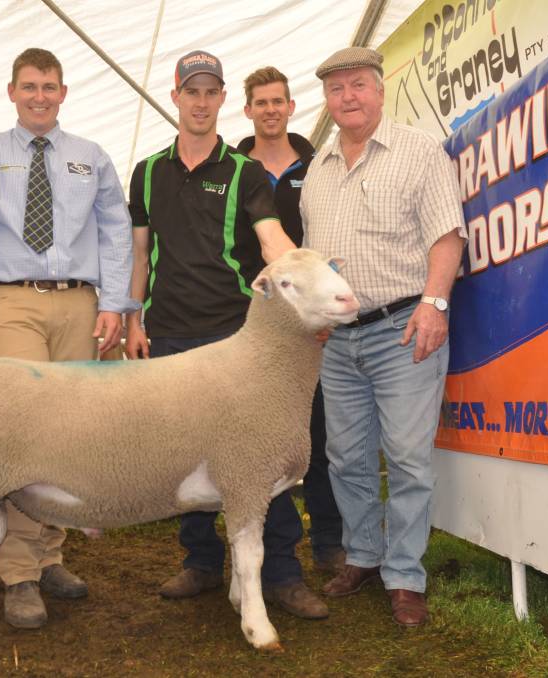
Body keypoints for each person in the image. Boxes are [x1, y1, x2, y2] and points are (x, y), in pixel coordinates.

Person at [125, 51, 327, 620]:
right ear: (177, 97)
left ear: (220, 102)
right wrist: (134, 317)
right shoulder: (147, 172)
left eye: (210, 91)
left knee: (260, 458)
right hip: (167, 332)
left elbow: (272, 242)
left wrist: (308, 296)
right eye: (192, 91)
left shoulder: (244, 172)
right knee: (180, 448)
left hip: (235, 334)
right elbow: (140, 254)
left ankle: (283, 573)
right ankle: (201, 561)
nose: (200, 101)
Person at [0, 47, 136, 629]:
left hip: (79, 302)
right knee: (22, 433)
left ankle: (50, 556)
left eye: (49, 86)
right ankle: (19, 576)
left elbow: (115, 233)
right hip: (10, 301)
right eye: (29, 86)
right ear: (11, 91)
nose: (39, 96)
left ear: (63, 92)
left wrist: (114, 304)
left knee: (68, 436)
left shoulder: (91, 157)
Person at [300, 47, 466, 627]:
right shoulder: (316, 171)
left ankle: (405, 577)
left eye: (358, 86)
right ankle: (364, 556)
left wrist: (435, 303)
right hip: (339, 341)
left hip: (404, 330)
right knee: (344, 457)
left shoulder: (418, 152)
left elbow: (447, 236)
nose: (347, 97)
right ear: (327, 100)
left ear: (379, 89)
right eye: (337, 88)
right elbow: (313, 261)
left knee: (408, 458)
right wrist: (316, 317)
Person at [235, 66, 345, 574]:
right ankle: (250, 548)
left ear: (291, 106)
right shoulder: (232, 168)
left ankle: (327, 538)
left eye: (279, 101)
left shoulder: (320, 163)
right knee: (252, 435)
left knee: (318, 430)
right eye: (261, 102)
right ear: (248, 109)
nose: (271, 110)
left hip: (310, 325)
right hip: (252, 321)